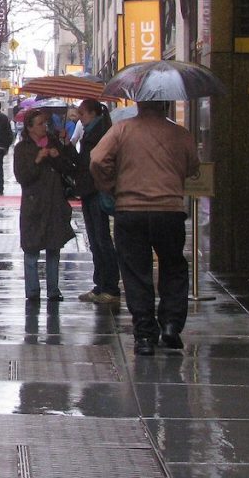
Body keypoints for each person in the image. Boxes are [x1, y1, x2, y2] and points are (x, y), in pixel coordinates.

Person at [90, 100, 200, 357]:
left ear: (140, 104)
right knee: (173, 267)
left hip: (131, 210)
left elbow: (97, 159)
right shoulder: (180, 133)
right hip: (169, 210)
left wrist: (110, 185)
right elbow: (193, 165)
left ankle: (144, 336)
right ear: (165, 106)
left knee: (135, 272)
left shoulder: (122, 130)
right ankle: (171, 325)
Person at [13, 109, 76, 302]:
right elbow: (22, 177)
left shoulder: (54, 142)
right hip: (34, 205)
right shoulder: (22, 148)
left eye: (45, 124)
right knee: (31, 249)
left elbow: (69, 168)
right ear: (30, 127)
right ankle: (32, 291)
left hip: (55, 202)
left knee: (53, 247)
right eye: (39, 124)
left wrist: (60, 152)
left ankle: (53, 289)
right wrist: (38, 159)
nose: (44, 127)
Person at [74, 99, 120, 306]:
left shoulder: (100, 132)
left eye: (82, 114)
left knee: (101, 239)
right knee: (95, 240)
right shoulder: (92, 131)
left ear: (93, 113)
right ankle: (100, 284)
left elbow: (96, 162)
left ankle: (109, 286)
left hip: (95, 191)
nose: (80, 119)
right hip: (89, 190)